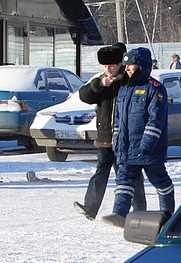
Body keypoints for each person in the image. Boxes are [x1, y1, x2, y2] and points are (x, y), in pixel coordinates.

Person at [101, 47, 175, 227]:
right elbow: (118, 119)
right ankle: (119, 214)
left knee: (160, 180)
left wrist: (147, 144)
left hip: (149, 149)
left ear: (141, 65)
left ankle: (168, 215)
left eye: (130, 65)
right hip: (127, 147)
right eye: (125, 65)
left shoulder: (155, 88)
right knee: (124, 180)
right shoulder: (125, 89)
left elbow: (156, 119)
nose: (126, 68)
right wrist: (117, 141)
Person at [74, 42, 146, 220]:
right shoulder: (101, 81)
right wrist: (98, 84)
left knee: (131, 175)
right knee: (100, 173)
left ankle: (139, 210)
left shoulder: (129, 80)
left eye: (111, 66)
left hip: (125, 138)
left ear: (119, 64)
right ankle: (91, 207)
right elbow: (84, 96)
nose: (108, 69)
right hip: (105, 138)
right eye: (105, 66)